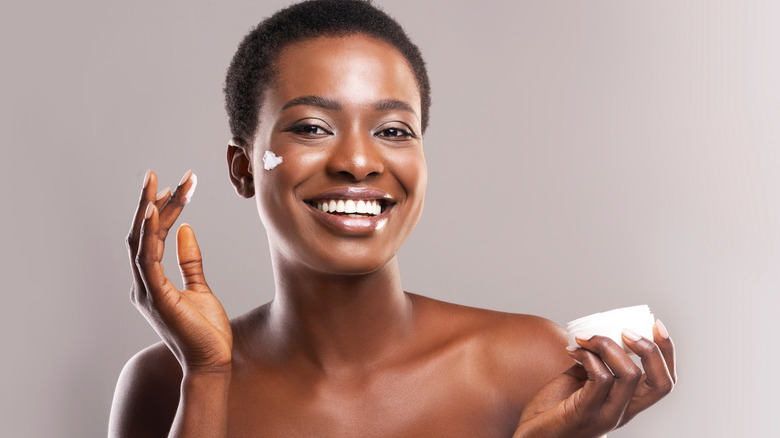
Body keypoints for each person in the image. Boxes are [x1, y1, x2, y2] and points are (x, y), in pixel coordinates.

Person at [109, 1, 677, 436]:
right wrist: (207, 378)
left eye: (393, 131)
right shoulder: (164, 383)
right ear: (244, 169)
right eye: (312, 128)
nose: (358, 161)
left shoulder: (529, 363)